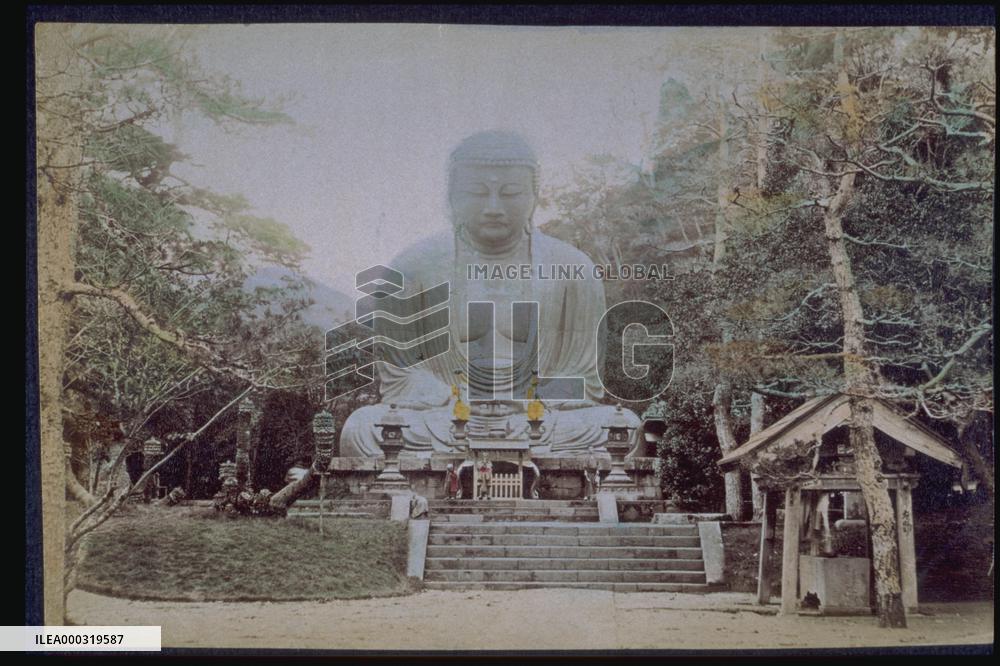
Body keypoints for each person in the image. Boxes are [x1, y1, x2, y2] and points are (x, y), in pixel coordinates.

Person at [340, 130, 641, 458]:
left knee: (625, 426)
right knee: (362, 428)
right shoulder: (412, 268)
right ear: (452, 195)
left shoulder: (573, 268)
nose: (494, 207)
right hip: (446, 417)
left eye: (510, 193)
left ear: (534, 196)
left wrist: (528, 399)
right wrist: (458, 398)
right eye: (477, 192)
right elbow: (399, 379)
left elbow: (586, 381)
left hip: (538, 419)